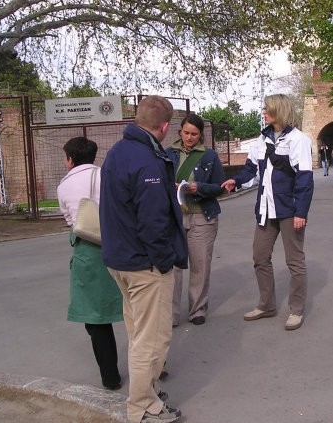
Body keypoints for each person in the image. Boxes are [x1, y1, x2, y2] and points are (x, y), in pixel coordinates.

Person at [100, 96, 187, 423]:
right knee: (152, 340)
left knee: (138, 333)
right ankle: (141, 408)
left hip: (119, 259)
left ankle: (146, 393)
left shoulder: (117, 152)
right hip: (144, 264)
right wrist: (164, 261)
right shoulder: (148, 160)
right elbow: (153, 222)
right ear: (164, 127)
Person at [221, 94, 314, 331]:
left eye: (267, 108)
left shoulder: (298, 140)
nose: (263, 111)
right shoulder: (261, 141)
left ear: (278, 110)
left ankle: (296, 309)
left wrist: (300, 212)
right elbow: (251, 171)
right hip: (265, 208)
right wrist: (235, 181)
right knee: (260, 257)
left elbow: (305, 180)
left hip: (289, 209)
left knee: (295, 261)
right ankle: (267, 304)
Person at [57, 137, 124, 391]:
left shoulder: (64, 186)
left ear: (70, 159)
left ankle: (110, 377)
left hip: (88, 252)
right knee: (135, 310)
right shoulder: (107, 175)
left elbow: (69, 220)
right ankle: (155, 366)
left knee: (96, 319)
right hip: (120, 245)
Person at [166, 114, 225, 327]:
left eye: (194, 134)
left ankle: (197, 309)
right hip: (174, 216)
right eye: (186, 132)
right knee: (173, 268)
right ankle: (171, 314)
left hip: (202, 216)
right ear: (180, 131)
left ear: (201, 135)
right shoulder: (167, 154)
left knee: (200, 265)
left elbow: (220, 187)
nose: (189, 137)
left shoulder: (209, 156)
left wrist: (197, 188)